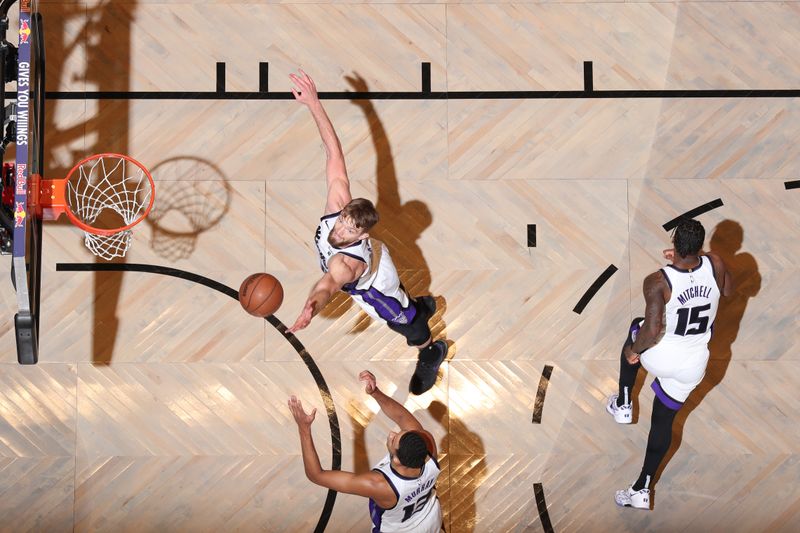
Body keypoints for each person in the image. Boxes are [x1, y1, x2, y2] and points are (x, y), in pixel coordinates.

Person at [286, 70, 447, 395]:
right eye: (343, 219)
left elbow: (328, 285)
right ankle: (420, 306)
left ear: (360, 237)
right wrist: (314, 105)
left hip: (375, 285)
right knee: (406, 303)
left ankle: (430, 350)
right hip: (377, 257)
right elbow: (334, 153)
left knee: (400, 319)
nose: (340, 229)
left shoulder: (345, 264)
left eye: (349, 230)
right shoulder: (338, 203)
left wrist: (312, 307)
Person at [607, 217, 732, 509]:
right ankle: (642, 488)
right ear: (700, 247)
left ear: (673, 244)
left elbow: (651, 330)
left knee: (636, 329)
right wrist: (698, 262)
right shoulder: (715, 264)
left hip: (663, 354)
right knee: (663, 423)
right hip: (694, 364)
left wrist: (633, 352)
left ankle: (624, 403)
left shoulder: (658, 281)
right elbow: (726, 291)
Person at [288, 370, 443, 532]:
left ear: (397, 460)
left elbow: (316, 475)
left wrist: (304, 429)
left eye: (394, 439)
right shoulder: (428, 448)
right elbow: (402, 418)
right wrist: (375, 393)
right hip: (431, 519)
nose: (391, 434)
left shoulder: (379, 486)